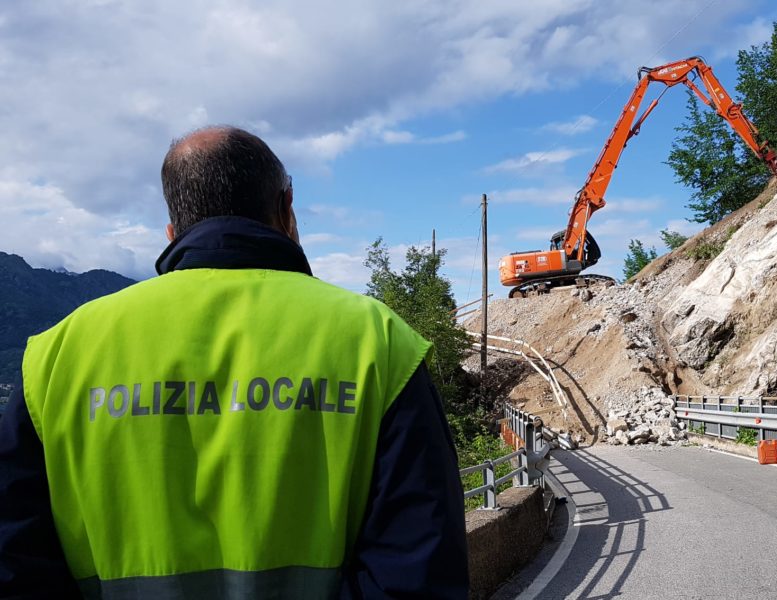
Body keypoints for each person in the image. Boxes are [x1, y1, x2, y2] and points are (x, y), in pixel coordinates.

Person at [0, 126, 469, 598]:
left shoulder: (56, 357)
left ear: (172, 231)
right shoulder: (378, 341)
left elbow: (15, 566)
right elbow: (417, 573)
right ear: (287, 208)